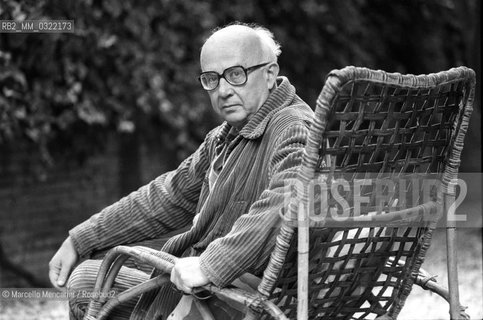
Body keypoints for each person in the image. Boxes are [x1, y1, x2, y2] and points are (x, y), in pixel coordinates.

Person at [49, 22, 314, 319]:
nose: (223, 90)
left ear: (270, 74)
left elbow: (291, 198)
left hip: (238, 303)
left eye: (236, 75)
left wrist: (209, 264)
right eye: (211, 79)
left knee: (88, 283)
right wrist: (81, 239)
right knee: (89, 279)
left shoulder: (292, 126)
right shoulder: (225, 138)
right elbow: (165, 197)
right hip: (212, 295)